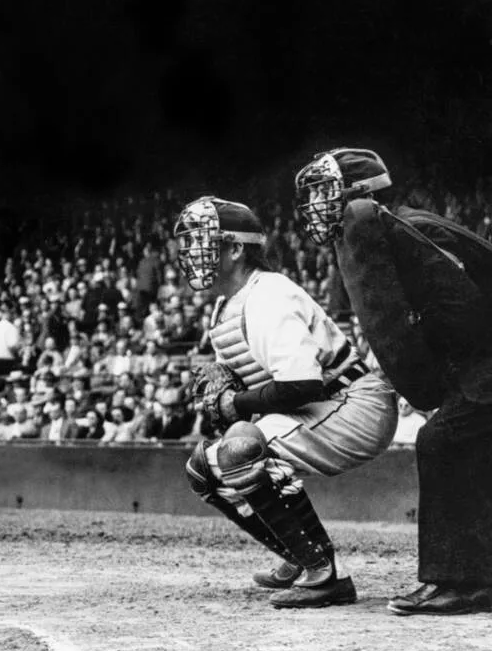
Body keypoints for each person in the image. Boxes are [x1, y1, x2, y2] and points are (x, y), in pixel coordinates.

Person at [295, 147, 492, 615]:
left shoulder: (412, 231)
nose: (317, 204)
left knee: (442, 443)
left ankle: (460, 583)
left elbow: (463, 308)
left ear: (359, 192)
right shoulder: (394, 231)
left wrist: (457, 371)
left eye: (325, 192)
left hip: (483, 360)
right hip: (477, 361)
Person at [174, 196, 397, 608]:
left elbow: (302, 384)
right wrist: (229, 399)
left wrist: (236, 403)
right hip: (319, 406)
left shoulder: (268, 294)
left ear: (235, 249)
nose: (191, 253)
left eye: (202, 241)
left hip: (352, 402)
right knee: (204, 471)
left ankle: (326, 575)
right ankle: (299, 556)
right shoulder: (226, 307)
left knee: (239, 452)